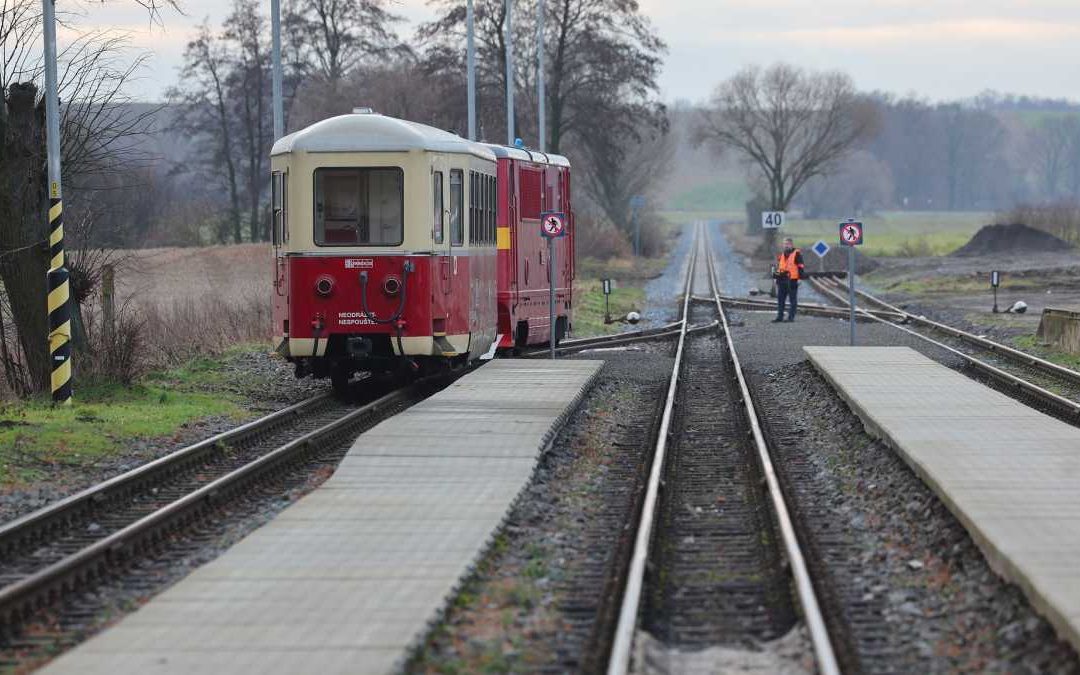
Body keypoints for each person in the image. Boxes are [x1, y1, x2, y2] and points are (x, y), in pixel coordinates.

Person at [773, 237, 804, 323]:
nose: (786, 246)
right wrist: (776, 278)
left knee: (792, 300)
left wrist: (800, 278)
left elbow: (801, 266)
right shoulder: (781, 255)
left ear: (791, 244)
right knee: (780, 299)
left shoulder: (797, 254)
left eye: (787, 244)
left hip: (792, 280)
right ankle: (780, 317)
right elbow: (779, 267)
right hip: (782, 279)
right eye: (784, 244)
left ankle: (791, 318)